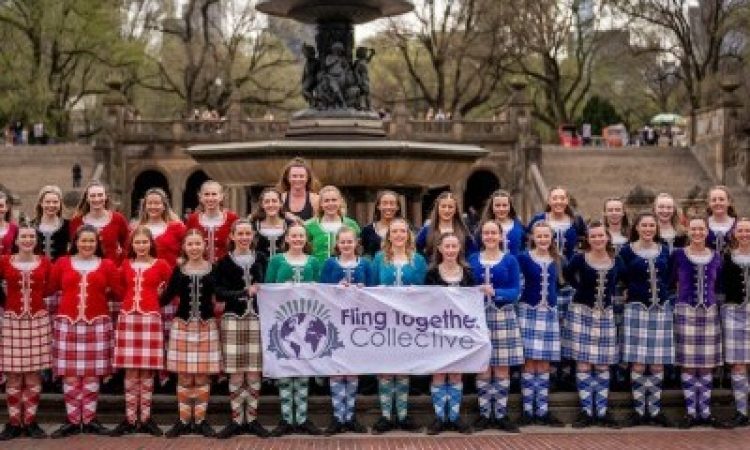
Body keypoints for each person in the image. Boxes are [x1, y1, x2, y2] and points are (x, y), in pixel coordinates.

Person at [49, 225, 120, 438]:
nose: (87, 244)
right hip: (67, 323)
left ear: (97, 244)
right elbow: (49, 288)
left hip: (96, 323)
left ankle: (88, 419)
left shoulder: (106, 265)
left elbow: (120, 291)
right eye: (83, 240)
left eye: (91, 241)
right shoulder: (62, 263)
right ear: (75, 243)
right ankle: (72, 420)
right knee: (70, 376)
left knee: (91, 376)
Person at [160, 229, 222, 438]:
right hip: (183, 326)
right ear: (184, 247)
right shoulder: (178, 270)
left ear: (204, 246)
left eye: (198, 244)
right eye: (190, 244)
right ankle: (184, 420)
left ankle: (201, 420)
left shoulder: (213, 269)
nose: (194, 248)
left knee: (202, 376)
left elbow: (221, 294)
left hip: (206, 325)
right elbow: (167, 297)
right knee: (185, 377)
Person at [111, 227, 172, 437]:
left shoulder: (161, 265)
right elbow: (119, 289)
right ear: (132, 245)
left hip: (150, 318)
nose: (141, 246)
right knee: (130, 370)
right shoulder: (125, 265)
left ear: (151, 244)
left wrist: (157, 299)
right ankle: (130, 418)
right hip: (129, 317)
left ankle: (145, 417)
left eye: (145, 242)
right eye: (137, 243)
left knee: (146, 370)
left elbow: (171, 289)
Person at [564, 221, 623, 429]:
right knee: (583, 362)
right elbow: (568, 274)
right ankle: (588, 411)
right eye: (594, 236)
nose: (598, 239)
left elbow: (622, 279)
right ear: (588, 239)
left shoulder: (616, 260)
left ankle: (602, 411)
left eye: (601, 236)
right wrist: (579, 288)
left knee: (602, 363)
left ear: (607, 238)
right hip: (582, 311)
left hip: (605, 313)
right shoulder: (580, 259)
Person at [264, 223, 322, 436]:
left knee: (303, 369)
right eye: (293, 236)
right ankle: (287, 418)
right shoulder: (276, 260)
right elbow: (268, 286)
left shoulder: (314, 261)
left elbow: (321, 290)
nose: (297, 239)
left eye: (301, 236)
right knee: (285, 369)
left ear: (305, 239)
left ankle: (303, 418)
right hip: (282, 321)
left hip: (307, 321)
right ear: (286, 238)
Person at [370, 218, 427, 434]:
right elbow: (371, 287)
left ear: (408, 234)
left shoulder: (418, 260)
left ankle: (402, 415)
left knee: (403, 365)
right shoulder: (378, 259)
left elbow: (423, 289)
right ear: (389, 235)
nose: (399, 235)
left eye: (403, 231)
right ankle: (386, 416)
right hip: (384, 320)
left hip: (408, 320)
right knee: (386, 366)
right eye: (395, 231)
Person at [214, 220, 270, 439]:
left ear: (253, 237)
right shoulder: (224, 262)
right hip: (233, 318)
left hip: (257, 318)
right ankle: (237, 419)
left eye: (248, 233)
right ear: (233, 236)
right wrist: (243, 292)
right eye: (241, 233)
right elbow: (219, 293)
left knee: (254, 370)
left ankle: (253, 419)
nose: (245, 237)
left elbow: (270, 284)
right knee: (237, 371)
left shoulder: (262, 260)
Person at [619, 212, 674, 428]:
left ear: (656, 228)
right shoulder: (626, 250)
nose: (648, 229)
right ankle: (640, 410)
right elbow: (621, 275)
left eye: (652, 225)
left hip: (660, 309)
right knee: (639, 362)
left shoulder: (664, 250)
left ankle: (655, 410)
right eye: (644, 225)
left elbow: (669, 277)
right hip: (636, 308)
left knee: (658, 361)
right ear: (637, 227)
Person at [672, 216, 726, 429]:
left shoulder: (716, 257)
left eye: (701, 229)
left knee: (705, 365)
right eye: (693, 229)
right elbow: (669, 280)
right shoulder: (678, 255)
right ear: (688, 231)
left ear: (707, 231)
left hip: (709, 312)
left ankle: (704, 411)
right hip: (685, 310)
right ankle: (691, 412)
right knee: (687, 364)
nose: (697, 233)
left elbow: (719, 284)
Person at [468, 220, 522, 433]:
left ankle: (499, 414)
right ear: (482, 237)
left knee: (501, 366)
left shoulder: (510, 260)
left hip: (503, 315)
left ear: (501, 236)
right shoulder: (473, 259)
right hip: (478, 316)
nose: (490, 236)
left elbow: (515, 291)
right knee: (483, 365)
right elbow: (466, 285)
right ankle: (484, 414)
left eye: (494, 233)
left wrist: (496, 293)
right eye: (486, 233)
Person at [0, 223, 53, 440]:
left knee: (32, 375)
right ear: (16, 240)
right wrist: (5, 302)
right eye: (24, 236)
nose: (28, 240)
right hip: (12, 321)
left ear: (36, 240)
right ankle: (14, 422)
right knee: (13, 375)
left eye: (32, 236)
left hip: (38, 321)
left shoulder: (46, 263)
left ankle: (30, 422)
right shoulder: (4, 262)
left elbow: (51, 287)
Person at [320, 226, 372, 435]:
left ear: (356, 243)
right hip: (334, 321)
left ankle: (350, 416)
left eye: (350, 242)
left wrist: (363, 290)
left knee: (352, 367)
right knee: (336, 367)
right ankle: (337, 416)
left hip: (358, 322)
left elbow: (376, 290)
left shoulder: (365, 264)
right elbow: (322, 290)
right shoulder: (330, 264)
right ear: (337, 244)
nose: (346, 245)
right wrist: (335, 288)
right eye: (342, 242)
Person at [424, 232, 474, 435]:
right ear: (440, 249)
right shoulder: (432, 274)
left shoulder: (468, 273)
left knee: (455, 372)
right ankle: (439, 418)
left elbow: (472, 302)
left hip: (460, 329)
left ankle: (453, 417)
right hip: (437, 329)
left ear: (459, 249)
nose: (451, 250)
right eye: (448, 247)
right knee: (438, 371)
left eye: (455, 247)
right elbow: (425, 301)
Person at [516, 222, 564, 427]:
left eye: (547, 236)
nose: (543, 240)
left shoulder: (558, 259)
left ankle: (542, 410)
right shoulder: (524, 258)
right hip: (529, 311)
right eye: (539, 236)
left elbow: (564, 282)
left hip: (549, 313)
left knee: (544, 363)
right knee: (529, 362)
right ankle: (528, 410)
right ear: (533, 238)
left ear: (551, 238)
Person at [721, 217, 750, 427]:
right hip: (733, 312)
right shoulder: (726, 257)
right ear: (734, 234)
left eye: (748, 231)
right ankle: (741, 410)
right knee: (738, 365)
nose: (745, 234)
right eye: (741, 231)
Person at [184, 180, 238, 264]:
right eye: (206, 194)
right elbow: (185, 244)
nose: (210, 198)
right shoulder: (192, 219)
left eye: (214, 194)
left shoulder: (232, 218)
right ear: (200, 197)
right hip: (200, 269)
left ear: (221, 196)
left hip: (226, 270)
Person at [305, 185, 360, 265]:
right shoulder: (309, 226)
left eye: (334, 200)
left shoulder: (351, 225)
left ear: (340, 201)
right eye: (326, 201)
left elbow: (358, 250)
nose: (330, 204)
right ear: (321, 204)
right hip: (318, 273)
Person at [416, 191, 477, 259]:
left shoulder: (463, 230)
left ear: (455, 210)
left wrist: (465, 263)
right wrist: (425, 262)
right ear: (437, 208)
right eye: (443, 206)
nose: (446, 210)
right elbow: (416, 249)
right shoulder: (427, 229)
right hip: (434, 268)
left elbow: (472, 252)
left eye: (450, 207)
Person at [250, 187, 294, 260]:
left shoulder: (291, 226)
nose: (271, 205)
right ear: (262, 205)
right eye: (267, 201)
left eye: (274, 201)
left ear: (281, 204)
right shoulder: (253, 226)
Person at [479, 189, 525, 256]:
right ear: (492, 207)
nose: (501, 209)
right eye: (497, 205)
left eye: (504, 205)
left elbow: (524, 248)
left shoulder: (519, 226)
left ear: (510, 207)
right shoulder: (484, 227)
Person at [360, 190, 402, 259]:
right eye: (385, 203)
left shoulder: (406, 229)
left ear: (397, 207)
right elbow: (364, 253)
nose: (388, 207)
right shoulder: (367, 230)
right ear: (378, 206)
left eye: (392, 204)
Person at [277, 157, 320, 222]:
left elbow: (317, 226)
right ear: (287, 178)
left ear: (307, 178)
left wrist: (297, 220)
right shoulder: (280, 199)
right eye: (294, 176)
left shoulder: (316, 199)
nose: (298, 179)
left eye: (301, 176)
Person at [706, 186, 736, 254]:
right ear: (709, 203)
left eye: (721, 199)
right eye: (714, 200)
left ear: (729, 202)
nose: (717, 203)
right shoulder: (703, 224)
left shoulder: (738, 225)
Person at [0, 191, 18, 255]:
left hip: (7, 264)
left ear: (6, 208)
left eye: (1, 206)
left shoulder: (14, 229)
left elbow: (17, 252)